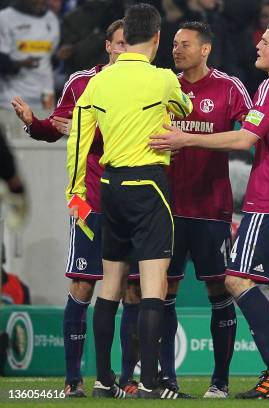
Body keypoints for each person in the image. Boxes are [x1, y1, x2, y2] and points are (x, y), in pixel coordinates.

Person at [150, 20, 269, 399]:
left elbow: (245, 138)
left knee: (235, 280)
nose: (257, 45)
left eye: (266, 42)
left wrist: (186, 138)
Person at [65, 3, 192, 399]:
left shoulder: (98, 82)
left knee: (110, 287)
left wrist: (77, 194)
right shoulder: (163, 79)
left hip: (110, 188)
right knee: (152, 287)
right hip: (149, 185)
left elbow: (78, 140)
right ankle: (152, 383)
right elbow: (184, 109)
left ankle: (103, 381)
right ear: (156, 38)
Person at [10, 20, 142, 398]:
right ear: (107, 46)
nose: (124, 51)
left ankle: (127, 377)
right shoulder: (82, 82)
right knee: (83, 285)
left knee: (132, 290)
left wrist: (86, 131)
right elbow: (57, 125)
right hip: (91, 202)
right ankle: (73, 379)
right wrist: (35, 125)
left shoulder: (146, 82)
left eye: (130, 44)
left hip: (132, 201)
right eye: (119, 44)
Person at [151, 21, 252, 398]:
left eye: (185, 44)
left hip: (211, 208)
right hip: (167, 207)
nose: (176, 50)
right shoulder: (163, 86)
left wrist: (194, 140)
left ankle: (220, 382)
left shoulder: (229, 88)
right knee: (165, 289)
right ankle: (167, 381)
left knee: (218, 289)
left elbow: (250, 135)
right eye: (174, 44)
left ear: (205, 49)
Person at [0, 0, 59, 138]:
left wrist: (59, 57)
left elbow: (50, 58)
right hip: (13, 97)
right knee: (16, 143)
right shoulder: (5, 18)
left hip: (45, 97)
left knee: (43, 145)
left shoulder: (51, 19)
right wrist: (19, 64)